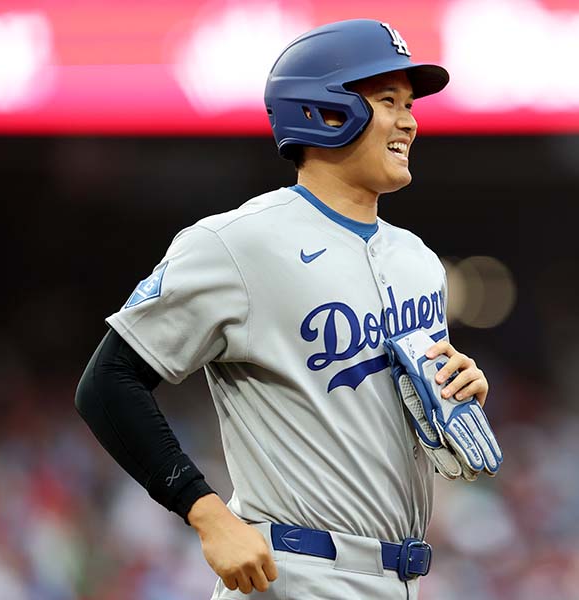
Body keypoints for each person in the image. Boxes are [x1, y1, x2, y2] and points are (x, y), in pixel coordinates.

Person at [75, 19, 493, 600]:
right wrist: (206, 512)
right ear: (326, 111)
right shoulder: (238, 242)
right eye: (388, 101)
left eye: (410, 104)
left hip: (402, 579)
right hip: (294, 572)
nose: (409, 121)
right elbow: (108, 383)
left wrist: (456, 398)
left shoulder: (419, 261)